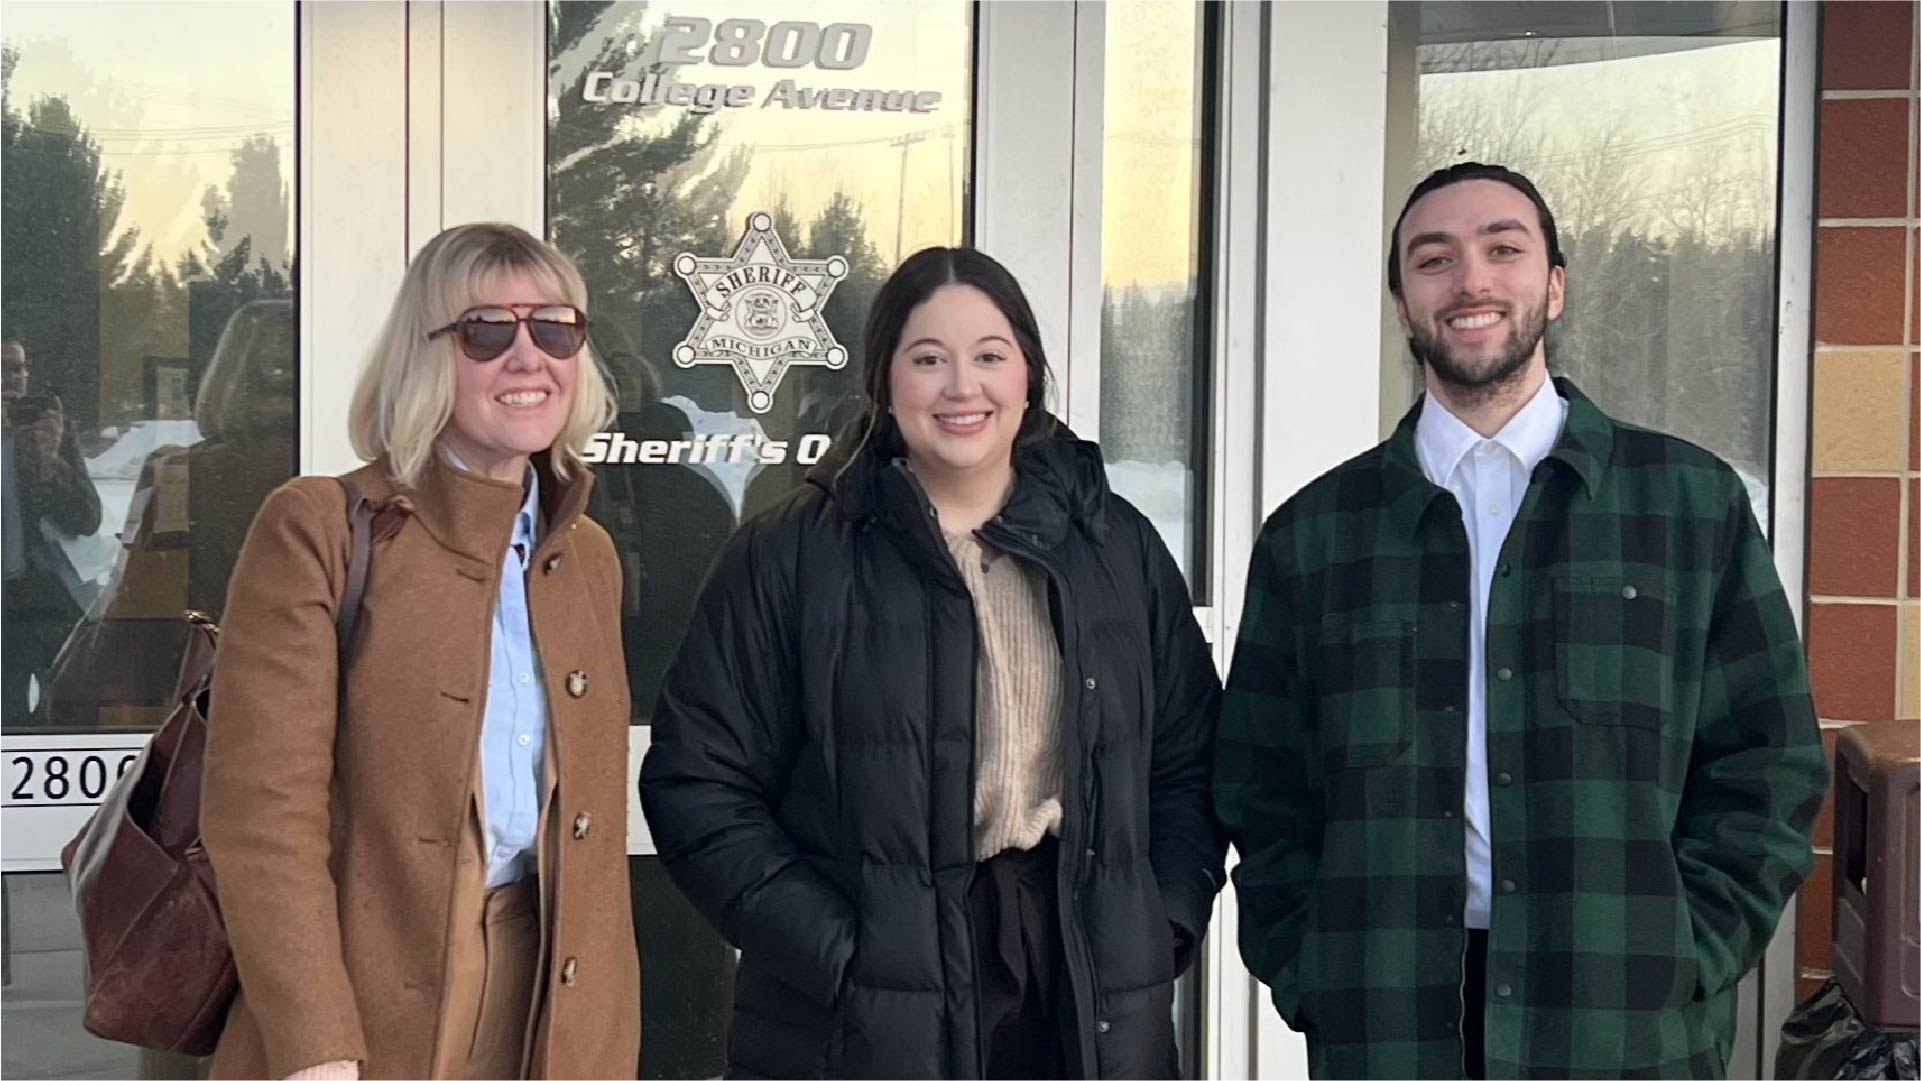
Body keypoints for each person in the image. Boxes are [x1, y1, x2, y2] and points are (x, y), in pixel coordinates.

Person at [1215, 162, 1828, 1080]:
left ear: (1553, 283)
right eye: (1434, 259)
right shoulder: (1315, 537)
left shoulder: (1687, 506)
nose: (1470, 281)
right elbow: (1262, 787)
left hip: (1622, 1023)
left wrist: (1688, 951)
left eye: (1503, 249)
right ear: (1400, 301)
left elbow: (1767, 760)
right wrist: (1312, 968)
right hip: (1389, 1022)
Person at [641, 246, 1226, 1079]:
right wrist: (843, 957)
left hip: (1077, 971)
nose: (962, 387)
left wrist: (1157, 919)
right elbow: (697, 784)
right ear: (884, 382)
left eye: (990, 356)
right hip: (863, 1006)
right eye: (928, 359)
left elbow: (1191, 758)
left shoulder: (1114, 545)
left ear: (1028, 375)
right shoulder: (791, 555)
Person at [200, 223, 641, 1079]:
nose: (527, 357)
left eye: (554, 328)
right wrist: (315, 1045)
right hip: (366, 993)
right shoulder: (320, 527)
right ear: (425, 354)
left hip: (551, 990)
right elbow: (261, 817)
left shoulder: (586, 555)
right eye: (486, 330)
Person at [1, 336, 104, 723]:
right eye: (1, 368)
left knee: (65, 706)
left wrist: (50, 462)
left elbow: (88, 518)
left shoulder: (51, 431)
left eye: (18, 368)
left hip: (46, 596)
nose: (10, 379)